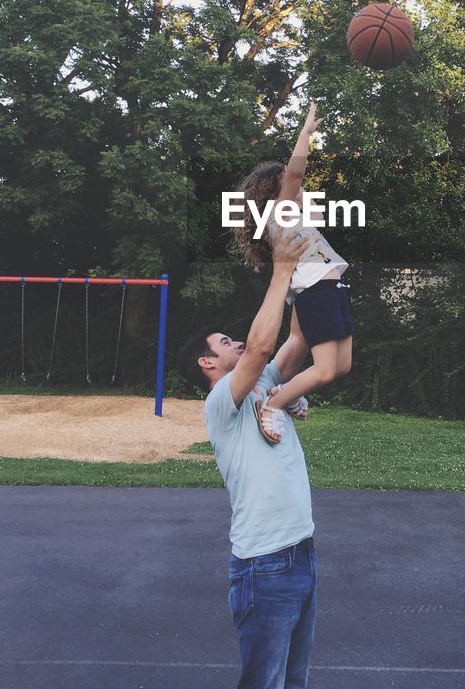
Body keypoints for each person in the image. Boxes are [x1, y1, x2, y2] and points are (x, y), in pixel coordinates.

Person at [178, 224, 317, 689]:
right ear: (207, 363)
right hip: (265, 565)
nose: (235, 342)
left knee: (292, 681)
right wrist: (278, 269)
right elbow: (259, 347)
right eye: (223, 343)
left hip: (301, 551)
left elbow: (296, 341)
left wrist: (301, 277)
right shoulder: (221, 403)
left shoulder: (263, 382)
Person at [231, 101, 353, 445]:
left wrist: (302, 196)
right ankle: (274, 403)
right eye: (288, 185)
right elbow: (296, 174)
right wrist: (305, 133)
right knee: (325, 369)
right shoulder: (279, 214)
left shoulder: (294, 214)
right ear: (274, 194)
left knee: (341, 366)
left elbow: (312, 210)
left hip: (332, 287)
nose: (297, 186)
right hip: (318, 292)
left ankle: (286, 390)